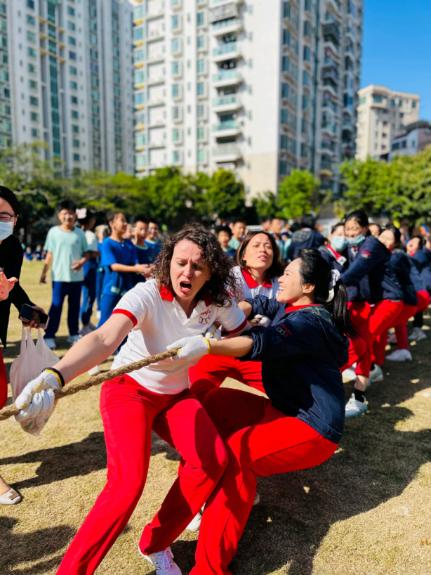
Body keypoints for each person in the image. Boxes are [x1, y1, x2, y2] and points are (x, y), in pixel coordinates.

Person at [14, 225, 247, 574]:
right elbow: (105, 338)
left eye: (198, 266)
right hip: (129, 390)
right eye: (180, 262)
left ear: (211, 270)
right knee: (126, 485)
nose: (187, 271)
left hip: (175, 395)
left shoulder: (217, 301)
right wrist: (56, 376)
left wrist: (214, 341)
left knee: (212, 461)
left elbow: (244, 333)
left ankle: (155, 542)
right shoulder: (147, 293)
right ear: (167, 261)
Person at [169, 249, 349, 574]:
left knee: (238, 455)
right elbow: (263, 304)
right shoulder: (293, 307)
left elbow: (262, 341)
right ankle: (198, 481)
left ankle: (209, 568)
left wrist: (209, 345)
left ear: (308, 287)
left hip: (312, 427)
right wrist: (241, 309)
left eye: (289, 274)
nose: (280, 278)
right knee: (216, 403)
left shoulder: (309, 321)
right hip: (283, 410)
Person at [189, 230, 284, 400]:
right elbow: (225, 316)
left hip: (258, 352)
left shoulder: (281, 282)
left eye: (268, 246)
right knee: (195, 393)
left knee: (281, 394)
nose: (263, 250)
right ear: (243, 254)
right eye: (256, 245)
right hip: (221, 347)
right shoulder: (231, 277)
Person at [0, 186, 46, 505]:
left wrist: (27, 309)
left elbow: (11, 287)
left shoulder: (13, 247)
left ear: (15, 220)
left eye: (4, 216)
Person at [341, 210, 390, 417]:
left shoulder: (371, 245)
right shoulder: (351, 246)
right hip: (359, 302)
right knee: (362, 344)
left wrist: (335, 284)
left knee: (360, 345)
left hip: (380, 302)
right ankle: (360, 392)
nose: (351, 233)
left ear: (364, 228)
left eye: (355, 229)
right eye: (347, 229)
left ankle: (357, 394)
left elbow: (358, 269)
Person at [41, 200, 89, 349]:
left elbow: (86, 253)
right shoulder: (53, 232)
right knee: (56, 307)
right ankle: (49, 335)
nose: (68, 216)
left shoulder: (79, 233)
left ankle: (73, 334)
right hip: (59, 278)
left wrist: (82, 262)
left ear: (75, 215)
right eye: (64, 213)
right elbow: (49, 254)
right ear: (59, 215)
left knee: (74, 307)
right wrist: (44, 273)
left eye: (71, 213)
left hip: (76, 278)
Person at [98, 212, 148, 327]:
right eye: (122, 220)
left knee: (125, 325)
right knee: (104, 324)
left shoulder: (129, 243)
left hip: (127, 291)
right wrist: (136, 268)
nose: (125, 224)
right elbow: (114, 266)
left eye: (126, 221)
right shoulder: (107, 243)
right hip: (111, 291)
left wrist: (147, 269)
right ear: (112, 224)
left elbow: (136, 264)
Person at [76, 209, 99, 335]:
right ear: (90, 221)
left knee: (87, 296)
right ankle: (84, 323)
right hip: (89, 266)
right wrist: (98, 253)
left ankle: (86, 320)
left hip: (84, 266)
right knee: (89, 296)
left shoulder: (78, 233)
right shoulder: (89, 234)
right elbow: (89, 253)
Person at [132, 216, 155, 282]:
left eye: (146, 229)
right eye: (141, 229)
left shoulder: (150, 248)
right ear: (134, 229)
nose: (143, 232)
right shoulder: (130, 247)